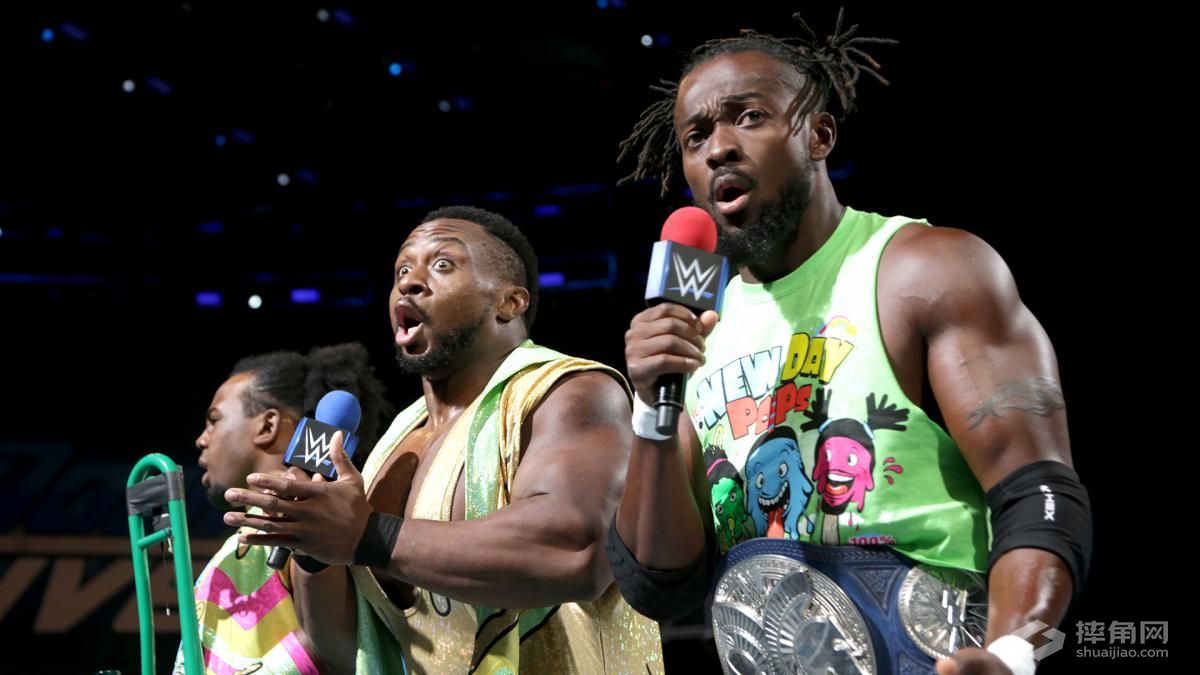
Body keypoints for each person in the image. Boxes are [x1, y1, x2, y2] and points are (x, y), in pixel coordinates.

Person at [609, 9, 1091, 675]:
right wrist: (651, 410)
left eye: (749, 117)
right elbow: (661, 580)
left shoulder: (923, 271)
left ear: (819, 134)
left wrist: (1012, 652)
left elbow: (1037, 493)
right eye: (697, 136)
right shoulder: (697, 329)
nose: (719, 147)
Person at [221, 206, 664, 674]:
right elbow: (344, 649)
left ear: (510, 302)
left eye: (442, 264)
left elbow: (576, 553)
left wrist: (368, 534)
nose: (410, 283)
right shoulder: (395, 445)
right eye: (401, 271)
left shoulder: (571, 390)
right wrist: (315, 549)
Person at [180, 342, 393, 675]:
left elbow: (338, 649)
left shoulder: (311, 524)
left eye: (214, 421)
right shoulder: (251, 534)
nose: (202, 439)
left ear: (267, 426)